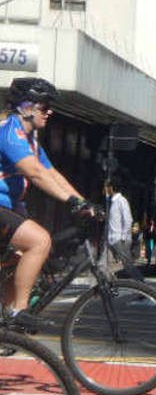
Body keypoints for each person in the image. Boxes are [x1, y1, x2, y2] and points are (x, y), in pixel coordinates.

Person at [0, 77, 90, 332]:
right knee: (39, 241)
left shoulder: (32, 140)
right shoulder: (9, 131)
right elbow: (35, 173)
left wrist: (83, 202)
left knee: (17, 262)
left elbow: (51, 173)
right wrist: (71, 201)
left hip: (9, 207)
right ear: (26, 107)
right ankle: (18, 311)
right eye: (44, 106)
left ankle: (7, 325)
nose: (49, 112)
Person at [103, 180, 133, 271]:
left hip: (119, 239)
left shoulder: (121, 201)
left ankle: (139, 281)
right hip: (111, 238)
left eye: (106, 187)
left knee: (126, 264)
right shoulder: (111, 202)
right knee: (103, 264)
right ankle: (106, 284)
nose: (105, 190)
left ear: (111, 188)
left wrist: (123, 237)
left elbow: (128, 220)